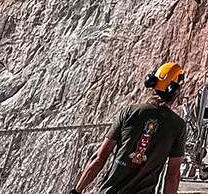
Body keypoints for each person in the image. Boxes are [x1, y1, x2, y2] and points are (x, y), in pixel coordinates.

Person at [70, 62, 188, 194]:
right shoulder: (177, 126)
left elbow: (100, 157)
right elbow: (172, 175)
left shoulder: (129, 112)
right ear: (175, 91)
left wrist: (76, 190)